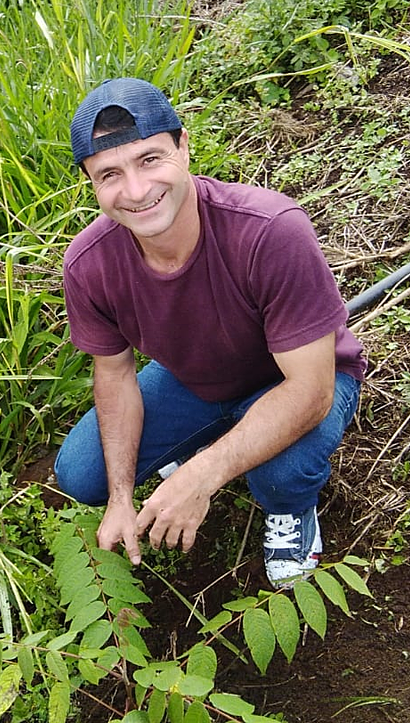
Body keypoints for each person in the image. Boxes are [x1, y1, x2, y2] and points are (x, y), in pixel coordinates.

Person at [53, 78, 366, 589]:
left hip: (297, 377)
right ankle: (216, 438)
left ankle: (291, 509)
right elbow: (115, 375)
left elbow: (312, 391)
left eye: (150, 159)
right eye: (110, 174)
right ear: (90, 183)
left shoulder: (270, 230)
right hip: (195, 381)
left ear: (183, 146)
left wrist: (201, 473)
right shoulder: (89, 264)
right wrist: (121, 497)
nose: (136, 191)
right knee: (82, 474)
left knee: (278, 475)